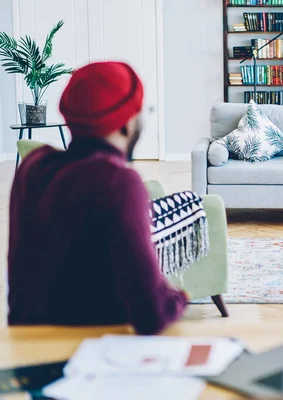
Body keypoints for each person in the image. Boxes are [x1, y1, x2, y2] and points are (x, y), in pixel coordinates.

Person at [7, 62, 188, 335]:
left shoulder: (33, 166)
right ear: (127, 123)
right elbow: (152, 314)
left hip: (25, 347)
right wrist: (179, 297)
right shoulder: (119, 183)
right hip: (88, 351)